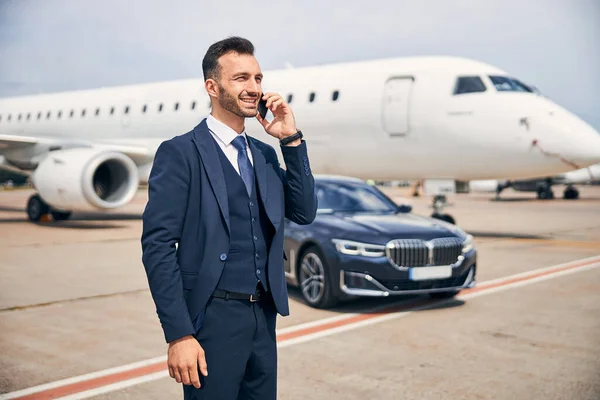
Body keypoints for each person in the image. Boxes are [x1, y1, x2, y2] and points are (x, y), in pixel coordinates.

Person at [140, 36, 318, 400]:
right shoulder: (180, 153)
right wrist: (179, 334)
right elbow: (157, 245)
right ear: (212, 86)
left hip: (262, 317)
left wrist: (291, 141)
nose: (254, 88)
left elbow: (304, 211)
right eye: (240, 78)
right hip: (210, 320)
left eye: (257, 78)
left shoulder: (266, 154)